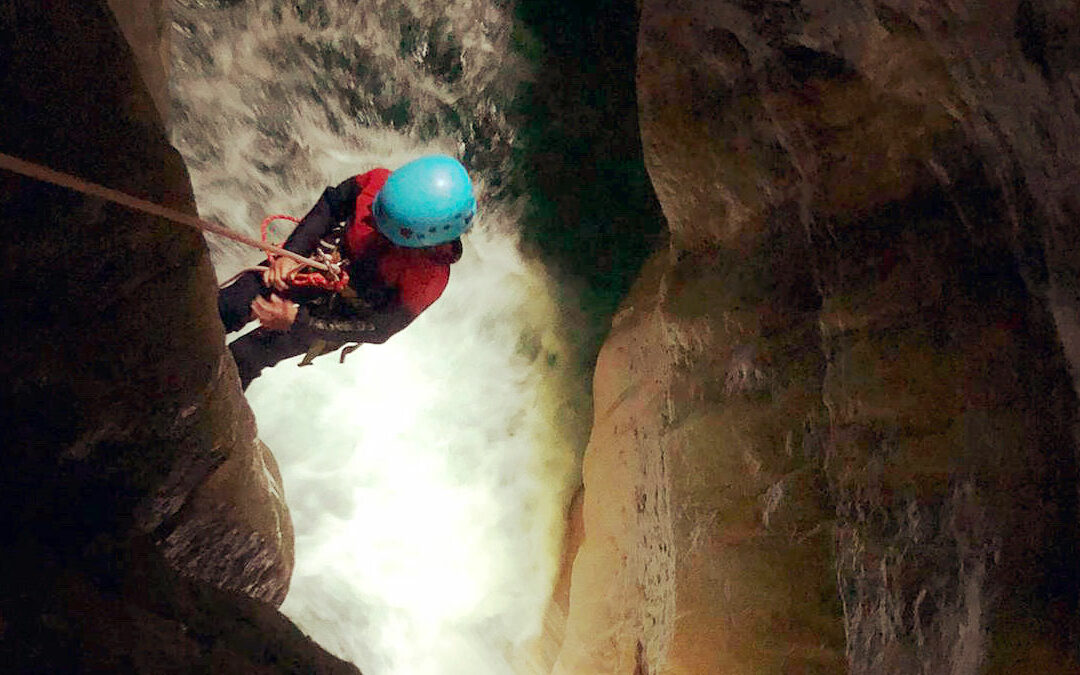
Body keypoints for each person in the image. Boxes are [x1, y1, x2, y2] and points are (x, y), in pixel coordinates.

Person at [218, 154, 475, 389]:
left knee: (246, 357)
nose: (373, 224)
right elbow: (332, 204)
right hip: (318, 261)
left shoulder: (426, 279)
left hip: (338, 315)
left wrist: (298, 321)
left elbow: (380, 327)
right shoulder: (378, 186)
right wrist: (290, 254)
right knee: (230, 305)